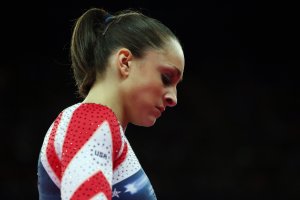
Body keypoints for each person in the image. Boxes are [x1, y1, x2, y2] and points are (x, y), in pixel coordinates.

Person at [37, 7, 185, 200]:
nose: (173, 99)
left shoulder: (104, 130)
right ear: (124, 62)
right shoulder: (91, 120)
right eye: (166, 78)